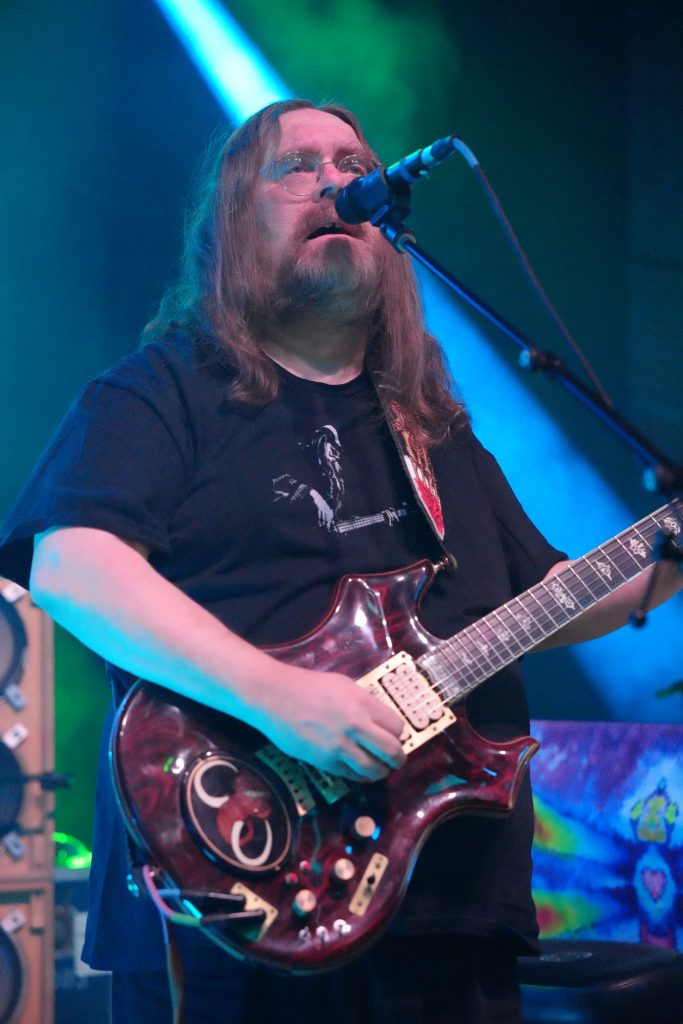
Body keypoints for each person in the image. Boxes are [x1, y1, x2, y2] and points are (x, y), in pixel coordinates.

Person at [0, 99, 680, 1024]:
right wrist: (279, 697)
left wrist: (670, 557)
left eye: (354, 164)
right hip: (231, 894)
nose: (336, 183)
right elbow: (71, 567)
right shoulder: (163, 391)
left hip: (444, 908)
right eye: (297, 167)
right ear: (234, 222)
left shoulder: (432, 428)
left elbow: (548, 597)